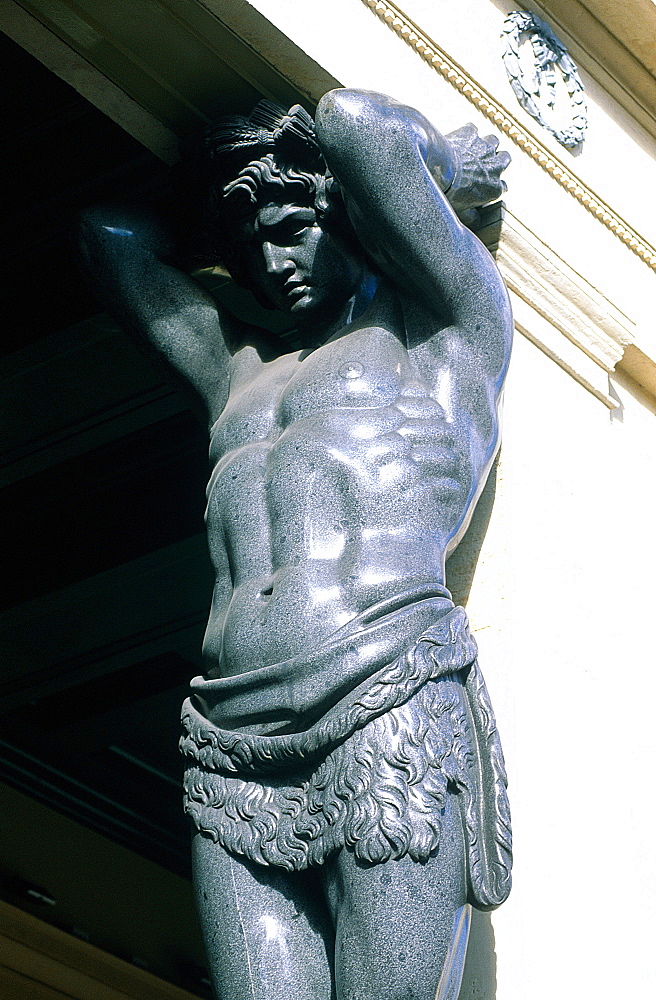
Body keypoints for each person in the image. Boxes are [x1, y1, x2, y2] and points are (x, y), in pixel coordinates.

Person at [79, 89, 513, 1000]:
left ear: (348, 209)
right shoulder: (238, 374)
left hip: (383, 692)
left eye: (287, 230)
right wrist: (227, 207)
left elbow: (353, 120)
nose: (271, 265)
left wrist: (425, 166)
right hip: (231, 734)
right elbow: (111, 237)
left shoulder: (445, 336)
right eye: (247, 251)